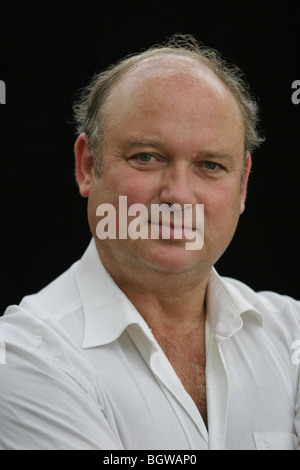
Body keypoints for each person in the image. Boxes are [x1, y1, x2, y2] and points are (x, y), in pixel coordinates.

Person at [0, 34, 299, 451]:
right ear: (88, 166)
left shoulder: (291, 334)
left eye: (210, 165)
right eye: (146, 157)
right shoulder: (23, 356)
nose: (178, 194)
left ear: (243, 185)